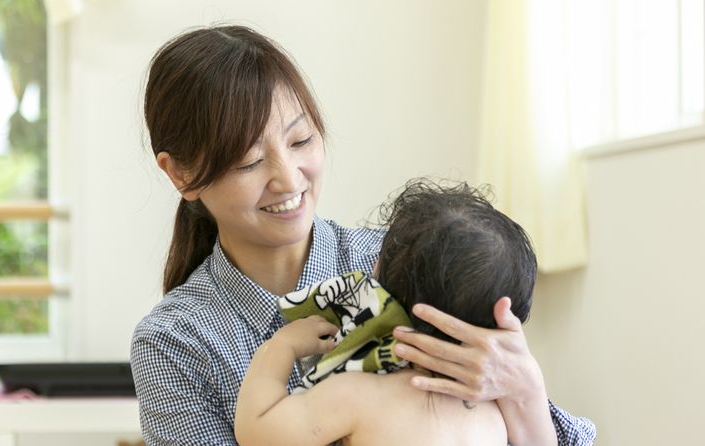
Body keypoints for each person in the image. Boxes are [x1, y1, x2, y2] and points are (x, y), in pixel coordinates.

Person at [129, 25, 597, 445]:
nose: (290, 180)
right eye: (249, 162)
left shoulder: (400, 261)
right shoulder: (175, 341)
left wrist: (524, 389)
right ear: (181, 176)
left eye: (300, 141)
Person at [235, 179, 542, 445]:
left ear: (384, 294)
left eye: (378, 259)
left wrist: (281, 346)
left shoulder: (355, 396)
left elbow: (257, 429)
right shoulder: (497, 408)